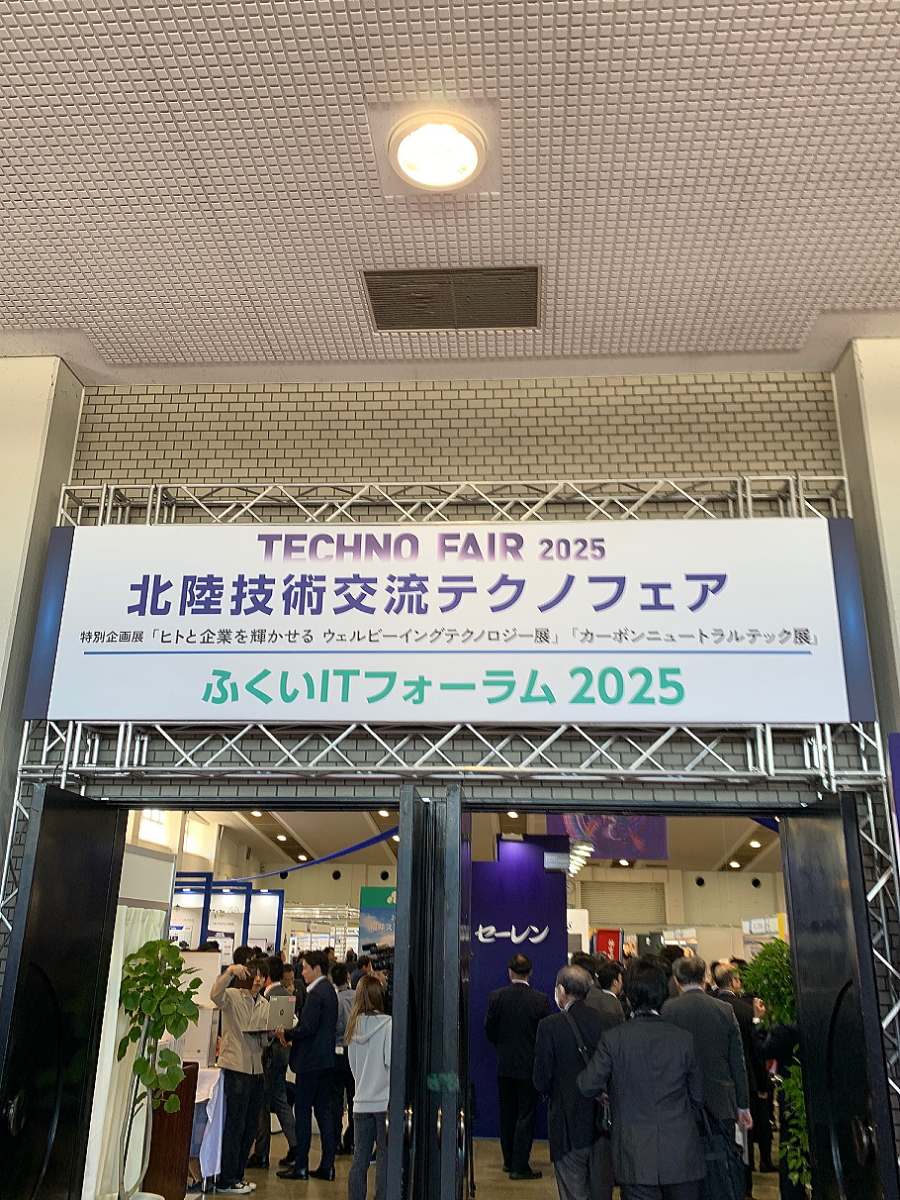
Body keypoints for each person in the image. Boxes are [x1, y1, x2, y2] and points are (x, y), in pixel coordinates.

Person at [577, 958, 705, 1200]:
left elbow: (586, 1084)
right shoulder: (683, 1039)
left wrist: (606, 1095)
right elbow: (698, 1098)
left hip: (634, 1155)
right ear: (663, 995)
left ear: (628, 997)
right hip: (681, 1154)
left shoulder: (613, 1039)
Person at [662, 957, 750, 1200]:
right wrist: (743, 1105)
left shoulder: (667, 1010)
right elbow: (737, 1062)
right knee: (721, 1167)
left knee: (685, 1175)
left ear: (677, 981)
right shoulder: (724, 1010)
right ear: (704, 979)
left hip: (680, 1104)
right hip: (721, 1103)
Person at [533, 965, 614, 1200]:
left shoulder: (549, 1026)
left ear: (561, 990)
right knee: (602, 1192)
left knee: (573, 1192)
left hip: (567, 1126)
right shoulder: (609, 1022)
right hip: (604, 1123)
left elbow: (541, 1080)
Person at [483, 953, 552, 1179]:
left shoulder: (497, 997)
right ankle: (520, 1166)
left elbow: (489, 1029)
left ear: (510, 972)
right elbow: (544, 1036)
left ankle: (508, 1160)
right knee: (526, 1116)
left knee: (507, 1114)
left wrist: (502, 1046)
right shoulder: (540, 1000)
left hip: (504, 1064)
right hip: (529, 1066)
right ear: (530, 972)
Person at [277, 950, 339, 1182]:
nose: (302, 972)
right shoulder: (329, 991)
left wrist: (287, 1033)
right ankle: (327, 1165)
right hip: (325, 1061)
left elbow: (307, 1028)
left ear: (317, 968)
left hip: (310, 1062)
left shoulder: (315, 994)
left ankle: (301, 1165)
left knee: (302, 1112)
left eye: (305, 968)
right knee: (323, 1112)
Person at [210, 959, 271, 1194]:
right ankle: (226, 1179)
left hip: (256, 1069)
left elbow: (263, 1041)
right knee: (235, 1125)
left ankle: (238, 1175)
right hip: (236, 1067)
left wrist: (271, 1034)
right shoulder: (233, 995)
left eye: (262, 975)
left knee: (250, 1126)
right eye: (254, 974)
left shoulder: (264, 1003)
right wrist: (229, 972)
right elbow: (215, 995)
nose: (258, 979)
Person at [714, 965, 775, 1177]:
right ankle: (747, 1179)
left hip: (719, 1080)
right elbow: (757, 1051)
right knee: (746, 1131)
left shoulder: (711, 1006)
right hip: (747, 1078)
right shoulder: (747, 1010)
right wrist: (763, 1084)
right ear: (733, 982)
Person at [247, 957, 297, 1169]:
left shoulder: (267, 997)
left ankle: (261, 1153)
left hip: (269, 1055)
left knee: (263, 1104)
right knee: (280, 1099)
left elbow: (267, 1029)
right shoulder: (285, 994)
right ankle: (296, 1145)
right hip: (283, 1055)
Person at [346, 976, 392, 1200]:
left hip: (360, 1102)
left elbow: (353, 1067)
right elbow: (390, 1062)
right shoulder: (387, 1024)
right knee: (384, 1157)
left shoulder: (352, 1026)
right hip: (383, 1102)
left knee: (359, 1159)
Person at [331, 962, 356, 1155]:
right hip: (355, 1052)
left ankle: (335, 1141)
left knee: (336, 1099)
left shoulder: (335, 1000)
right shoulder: (357, 997)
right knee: (355, 1098)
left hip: (338, 1052)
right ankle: (352, 1139)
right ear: (348, 977)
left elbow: (334, 1027)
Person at [585, 960, 625, 1029]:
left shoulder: (590, 999)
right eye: (621, 979)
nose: (622, 983)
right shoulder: (615, 1003)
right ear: (615, 982)